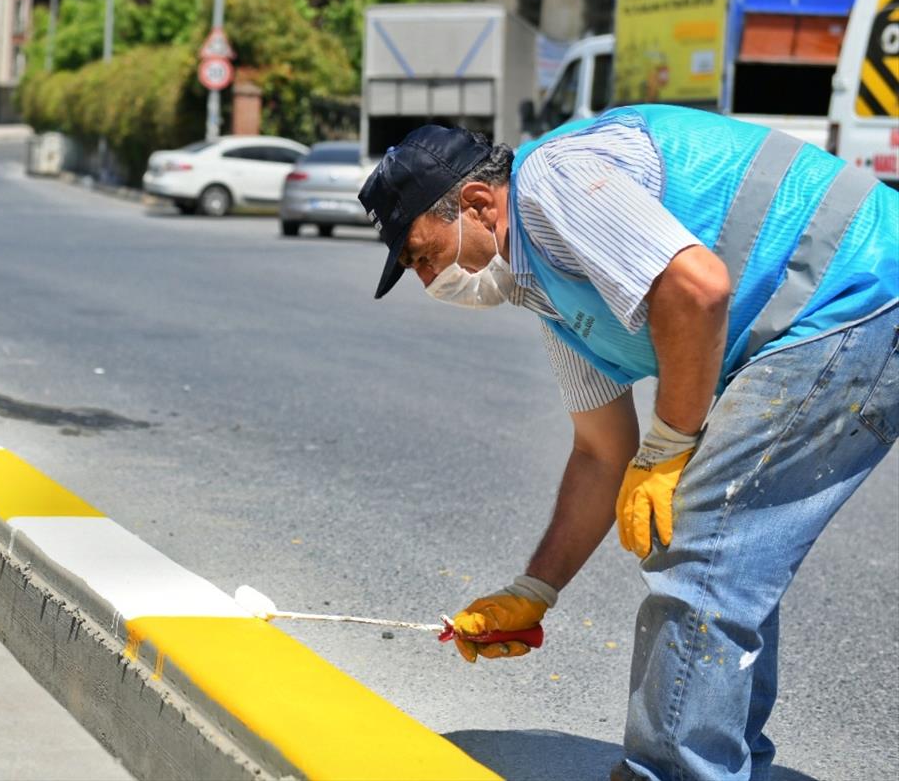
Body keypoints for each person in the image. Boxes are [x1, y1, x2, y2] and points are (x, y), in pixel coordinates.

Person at [358, 105, 898, 781]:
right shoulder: (551, 299)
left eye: (421, 253)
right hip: (834, 305)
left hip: (856, 286)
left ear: (473, 202)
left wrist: (670, 446)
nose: (427, 278)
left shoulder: (552, 183)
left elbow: (698, 290)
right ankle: (721, 764)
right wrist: (534, 588)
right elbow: (600, 452)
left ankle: (678, 773)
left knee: (703, 527)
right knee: (725, 544)